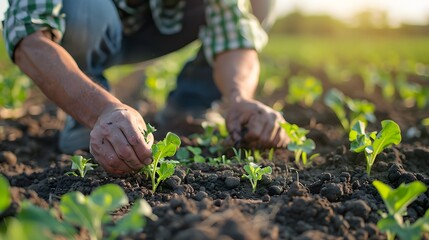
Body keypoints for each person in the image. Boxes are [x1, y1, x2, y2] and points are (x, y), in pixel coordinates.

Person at [3, 0, 290, 175]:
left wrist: (239, 98)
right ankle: (89, 118)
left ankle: (192, 104)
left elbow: (233, 33)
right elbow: (30, 36)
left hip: (158, 25)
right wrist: (101, 109)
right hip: (90, 21)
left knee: (260, 3)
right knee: (79, 8)